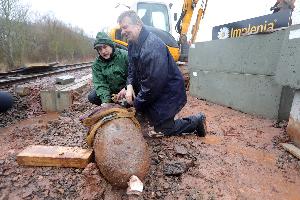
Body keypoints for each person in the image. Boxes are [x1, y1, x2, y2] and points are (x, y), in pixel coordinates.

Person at [117, 10, 207, 137]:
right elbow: (132, 66)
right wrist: (129, 86)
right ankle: (147, 112)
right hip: (153, 89)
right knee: (140, 108)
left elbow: (151, 88)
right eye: (121, 28)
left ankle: (196, 121)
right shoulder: (133, 42)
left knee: (163, 129)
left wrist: (136, 105)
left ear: (138, 25)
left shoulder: (152, 48)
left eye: (125, 27)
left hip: (168, 92)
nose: (122, 32)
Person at [88, 31, 128, 106]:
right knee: (92, 97)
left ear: (111, 45)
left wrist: (127, 88)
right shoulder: (96, 64)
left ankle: (124, 102)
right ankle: (113, 102)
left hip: (126, 89)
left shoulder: (125, 55)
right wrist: (106, 101)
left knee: (128, 103)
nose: (103, 51)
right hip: (111, 92)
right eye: (100, 49)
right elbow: (100, 84)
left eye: (105, 47)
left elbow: (134, 75)